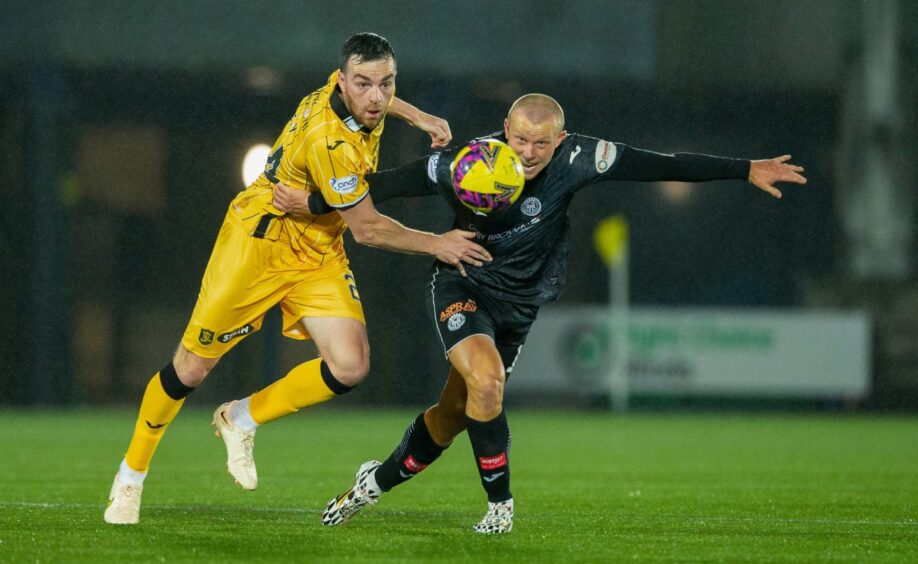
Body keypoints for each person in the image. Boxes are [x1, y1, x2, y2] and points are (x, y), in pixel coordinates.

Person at [274, 93, 807, 534]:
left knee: (454, 414)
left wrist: (744, 170)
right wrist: (315, 201)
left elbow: (659, 165)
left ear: (561, 138)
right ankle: (500, 506)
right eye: (520, 139)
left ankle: (376, 480)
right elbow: (386, 182)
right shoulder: (469, 160)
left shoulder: (581, 159)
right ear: (505, 128)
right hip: (463, 282)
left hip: (521, 302)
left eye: (541, 142)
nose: (527, 153)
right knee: (486, 382)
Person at [103, 32, 492, 525]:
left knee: (349, 366)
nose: (376, 97)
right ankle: (130, 476)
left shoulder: (350, 96)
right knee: (190, 370)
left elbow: (375, 103)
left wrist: (418, 116)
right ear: (343, 83)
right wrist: (440, 242)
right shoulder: (330, 142)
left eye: (386, 84)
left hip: (317, 249)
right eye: (364, 85)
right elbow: (369, 229)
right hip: (258, 246)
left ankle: (240, 417)